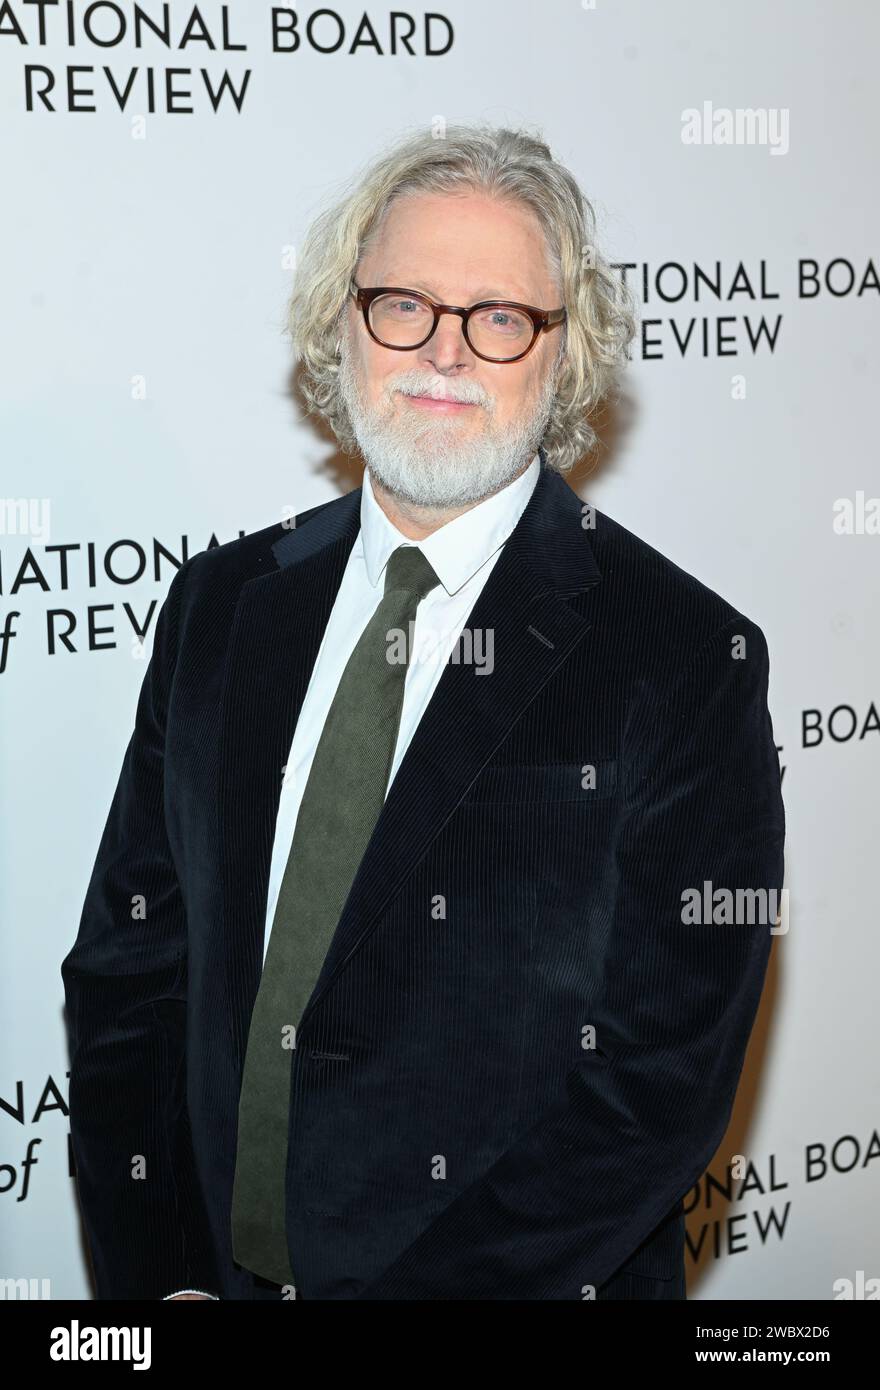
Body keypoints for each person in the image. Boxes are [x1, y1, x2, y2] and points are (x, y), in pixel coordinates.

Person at [61, 123, 785, 1301]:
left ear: (565, 354)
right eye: (402, 302)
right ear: (339, 325)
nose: (443, 352)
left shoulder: (684, 658)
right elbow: (131, 968)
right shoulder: (222, 606)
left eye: (500, 317)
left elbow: (654, 1090)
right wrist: (164, 1281)